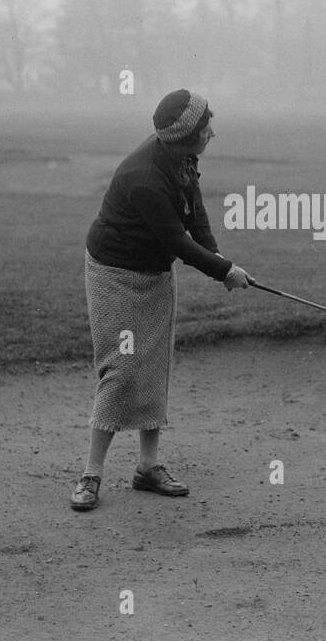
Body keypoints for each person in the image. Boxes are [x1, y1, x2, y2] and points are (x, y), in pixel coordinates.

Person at [70, 89, 251, 512]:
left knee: (154, 363)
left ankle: (147, 467)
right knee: (122, 367)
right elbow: (176, 240)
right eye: (206, 129)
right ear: (184, 137)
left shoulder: (180, 157)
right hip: (115, 274)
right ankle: (91, 474)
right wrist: (223, 272)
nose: (212, 133)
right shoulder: (145, 178)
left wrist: (220, 257)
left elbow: (194, 210)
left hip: (154, 272)